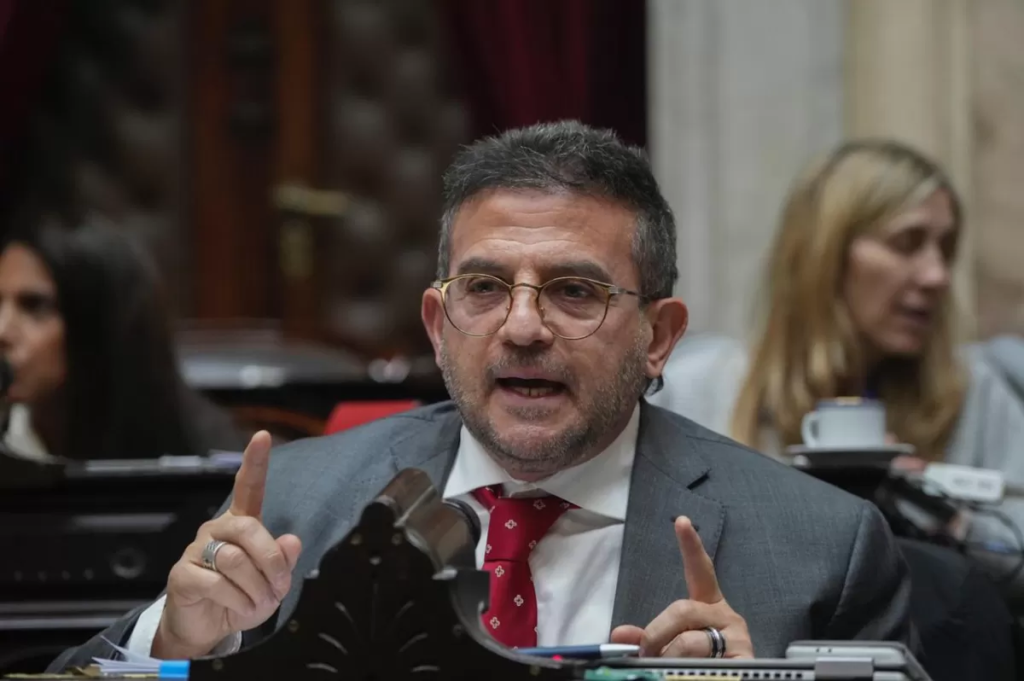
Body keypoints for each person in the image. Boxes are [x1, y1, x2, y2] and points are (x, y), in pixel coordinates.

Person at [49, 122, 912, 670]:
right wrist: (173, 642)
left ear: (659, 335)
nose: (523, 326)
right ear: (438, 323)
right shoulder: (294, 506)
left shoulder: (820, 552)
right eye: (485, 288)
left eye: (574, 291)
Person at [648, 139, 1024, 591]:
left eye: (945, 249)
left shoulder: (971, 390)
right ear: (825, 253)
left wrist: (940, 512)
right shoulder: (704, 386)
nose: (937, 276)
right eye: (907, 243)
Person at [0, 208, 247, 461]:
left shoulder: (211, 458)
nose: (3, 332)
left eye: (34, 306)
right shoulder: (12, 434)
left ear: (96, 323)